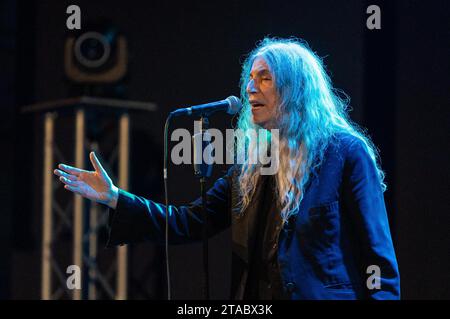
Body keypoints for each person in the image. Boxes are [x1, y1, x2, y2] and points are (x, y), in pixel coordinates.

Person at [54, 37, 400, 299]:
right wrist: (116, 198)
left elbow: (379, 263)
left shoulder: (346, 153)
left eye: (264, 78)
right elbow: (187, 222)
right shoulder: (254, 165)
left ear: (296, 89)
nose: (250, 88)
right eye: (250, 78)